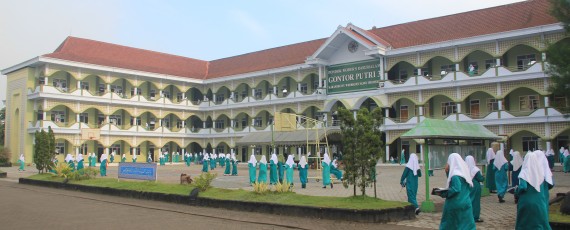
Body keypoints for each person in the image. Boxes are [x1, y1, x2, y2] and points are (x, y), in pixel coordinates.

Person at [515, 151, 551, 229]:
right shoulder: (540, 175)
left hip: (526, 202)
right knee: (540, 223)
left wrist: (516, 191)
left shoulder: (524, 173)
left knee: (524, 223)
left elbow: (522, 187)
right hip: (540, 203)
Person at [439, 153, 475, 230]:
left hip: (455, 203)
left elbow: (456, 188)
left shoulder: (455, 175)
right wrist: (447, 172)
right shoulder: (464, 173)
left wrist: (443, 193)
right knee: (466, 225)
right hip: (466, 202)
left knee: (450, 224)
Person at [465, 155, 484, 222]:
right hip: (475, 186)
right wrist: (483, 177)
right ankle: (475, 217)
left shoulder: (464, 169)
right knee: (475, 202)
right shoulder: (475, 169)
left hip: (468, 186)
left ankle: (468, 216)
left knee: (469, 200)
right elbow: (480, 179)